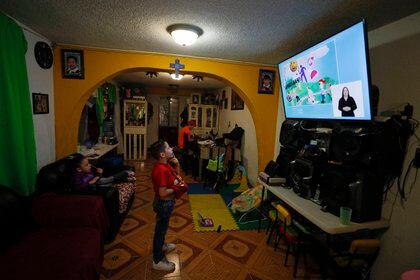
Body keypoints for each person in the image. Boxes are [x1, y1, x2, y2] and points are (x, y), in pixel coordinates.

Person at [150, 140, 187, 271]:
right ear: (162, 154)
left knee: (163, 228)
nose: (171, 148)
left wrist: (177, 165)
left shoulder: (166, 165)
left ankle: (161, 246)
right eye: (168, 147)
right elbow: (162, 193)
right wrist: (177, 188)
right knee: (160, 230)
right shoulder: (161, 170)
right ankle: (157, 260)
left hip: (167, 203)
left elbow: (176, 176)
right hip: (164, 203)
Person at [71, 155, 135, 190]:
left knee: (110, 180)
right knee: (111, 181)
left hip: (97, 183)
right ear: (79, 169)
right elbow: (92, 181)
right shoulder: (77, 178)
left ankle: (125, 175)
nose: (90, 165)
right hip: (96, 185)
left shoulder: (84, 171)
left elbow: (92, 176)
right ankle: (125, 175)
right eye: (86, 165)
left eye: (89, 163)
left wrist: (96, 173)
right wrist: (99, 173)